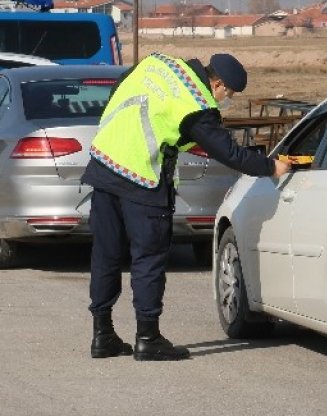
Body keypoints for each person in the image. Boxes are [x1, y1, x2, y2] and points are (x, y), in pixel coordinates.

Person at [84, 52, 292, 362]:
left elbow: (123, 91)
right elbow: (230, 153)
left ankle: (102, 335)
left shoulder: (160, 63)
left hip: (104, 165)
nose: (225, 100)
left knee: (106, 255)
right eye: (228, 94)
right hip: (142, 178)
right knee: (148, 259)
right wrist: (271, 167)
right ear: (217, 82)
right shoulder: (196, 104)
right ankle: (148, 338)